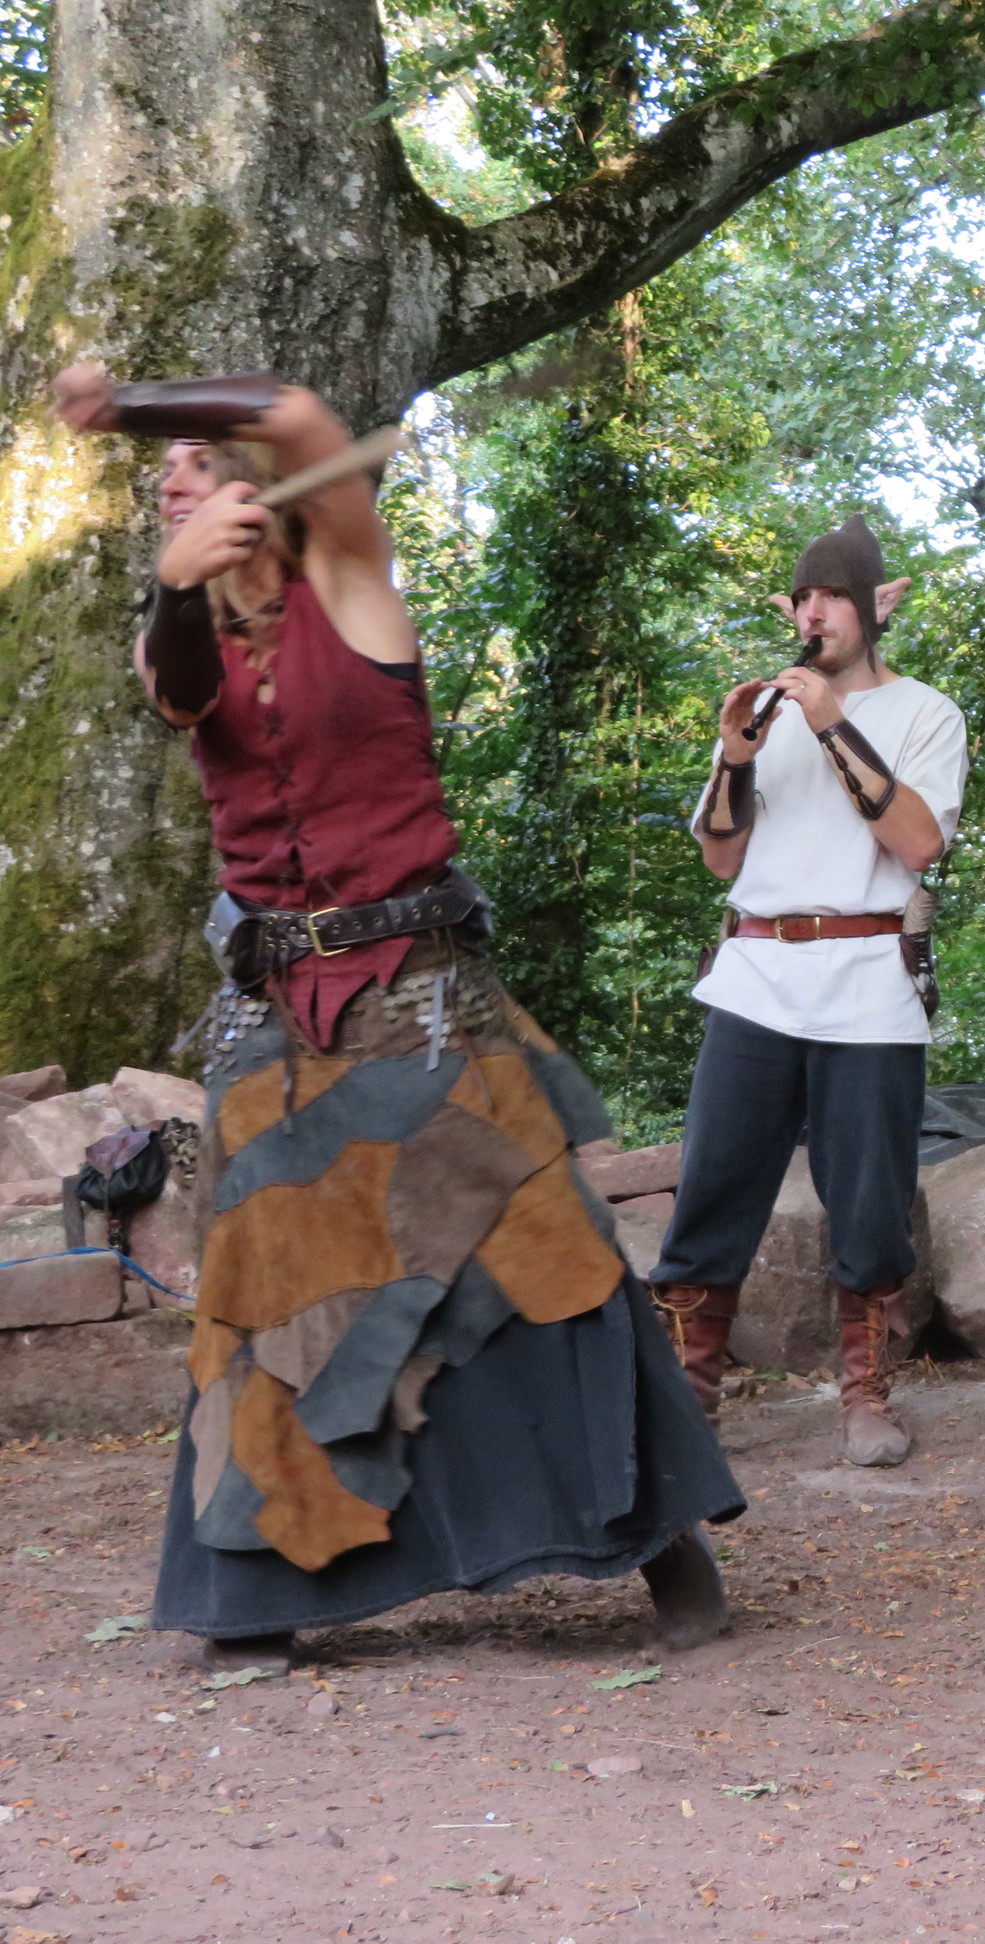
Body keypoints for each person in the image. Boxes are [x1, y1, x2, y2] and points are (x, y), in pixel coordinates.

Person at [54, 366, 744, 1669]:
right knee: (262, 1293)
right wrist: (177, 584)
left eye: (197, 463)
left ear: (264, 492)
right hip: (280, 1013)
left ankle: (660, 1543)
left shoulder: (355, 582)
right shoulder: (177, 632)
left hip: (425, 997)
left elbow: (302, 415)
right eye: (163, 477)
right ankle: (258, 1596)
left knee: (543, 1248)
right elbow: (182, 693)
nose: (171, 482)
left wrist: (129, 402)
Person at [648, 515, 966, 1469]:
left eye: (833, 596)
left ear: (873, 607)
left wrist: (831, 721)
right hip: (756, 978)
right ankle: (689, 1406)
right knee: (713, 1188)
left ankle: (865, 1396)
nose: (814, 613)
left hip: (869, 983)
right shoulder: (763, 716)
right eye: (804, 598)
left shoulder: (925, 714)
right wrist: (735, 756)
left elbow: (919, 843)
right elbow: (720, 857)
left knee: (868, 1203)